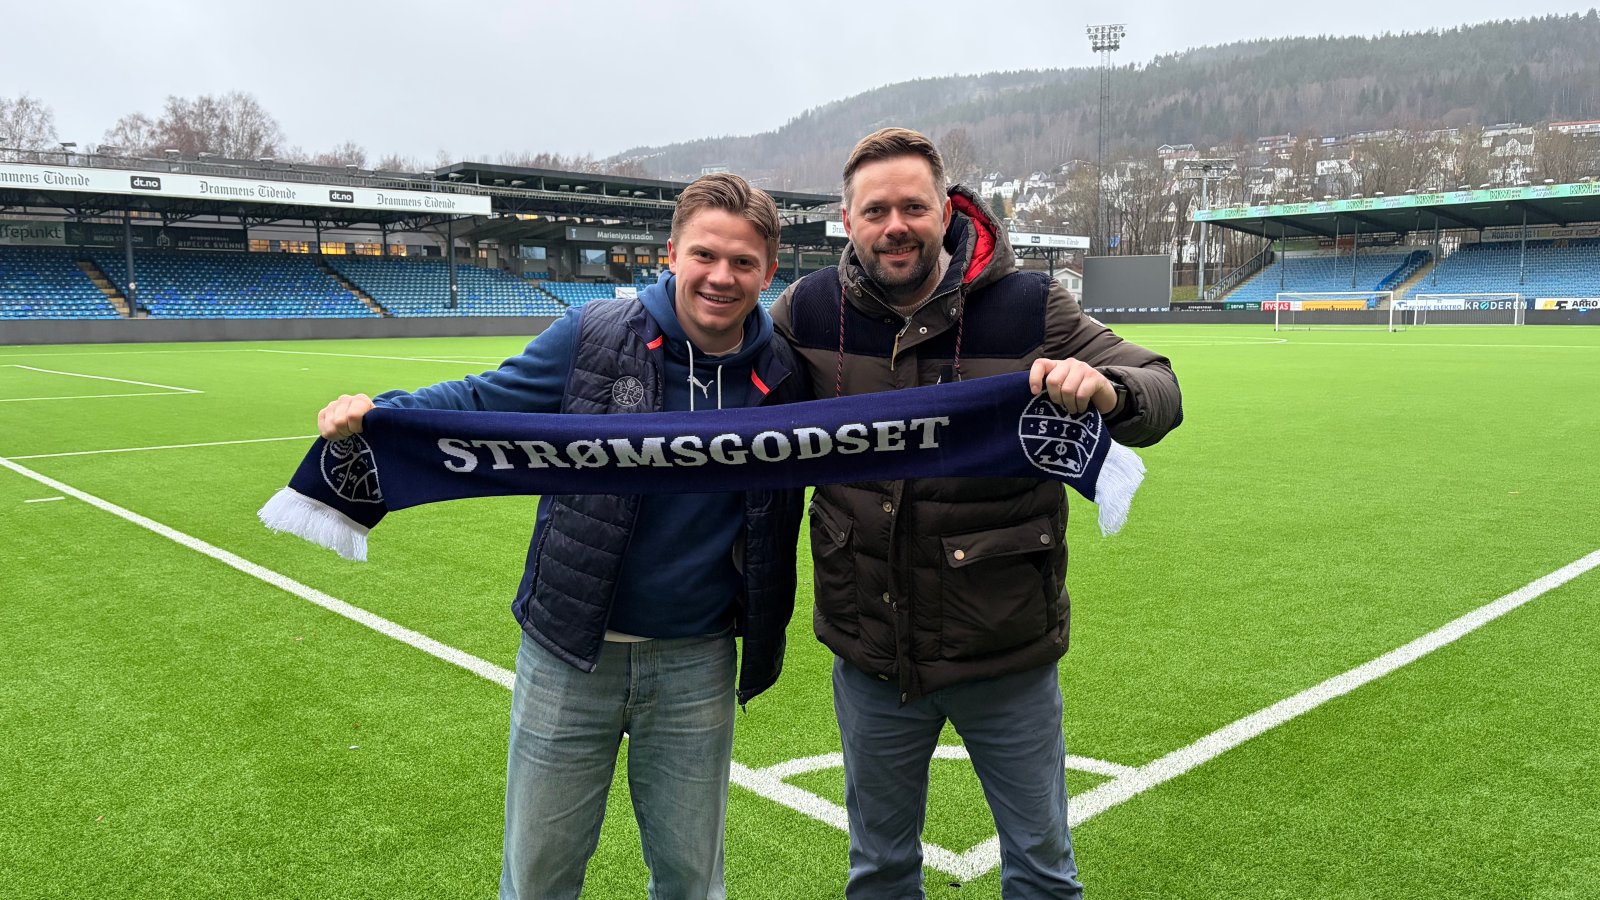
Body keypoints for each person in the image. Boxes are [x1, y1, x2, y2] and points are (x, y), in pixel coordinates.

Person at [317, 173, 808, 900]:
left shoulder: (786, 374)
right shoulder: (592, 336)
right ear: (672, 253)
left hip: (697, 660)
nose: (721, 276)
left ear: (769, 273)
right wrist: (382, 413)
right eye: (705, 255)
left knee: (691, 881)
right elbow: (484, 400)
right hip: (570, 651)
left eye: (743, 262)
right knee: (538, 880)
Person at [769, 128, 1183, 899]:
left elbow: (1160, 388)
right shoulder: (810, 310)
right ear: (848, 220)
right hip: (873, 654)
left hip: (1004, 653)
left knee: (1042, 872)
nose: (895, 225)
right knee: (880, 872)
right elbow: (732, 403)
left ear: (947, 208)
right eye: (875, 211)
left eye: (913, 207)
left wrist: (1108, 391)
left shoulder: (1029, 306)